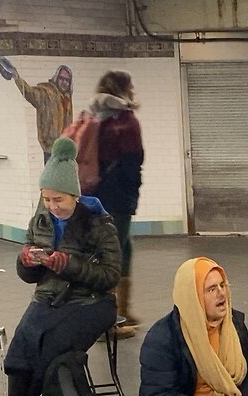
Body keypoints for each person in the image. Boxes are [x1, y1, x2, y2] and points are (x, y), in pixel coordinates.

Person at [0, 137, 120, 396]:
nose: (51, 206)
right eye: (46, 199)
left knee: (51, 347)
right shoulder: (41, 218)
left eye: (59, 200)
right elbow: (29, 276)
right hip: (49, 296)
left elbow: (110, 276)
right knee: (23, 342)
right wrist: (26, 262)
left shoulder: (99, 223)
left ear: (75, 197)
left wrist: (67, 266)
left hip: (92, 301)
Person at [134, 257, 248, 396]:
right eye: (211, 289)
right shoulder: (163, 337)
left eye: (223, 285)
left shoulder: (234, 324)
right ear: (193, 296)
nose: (221, 294)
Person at [84, 70, 145, 337]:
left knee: (122, 248)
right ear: (123, 89)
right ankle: (105, 322)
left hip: (96, 194)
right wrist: (134, 189)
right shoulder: (126, 121)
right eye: (130, 85)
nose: (133, 90)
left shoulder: (92, 114)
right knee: (112, 254)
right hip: (117, 197)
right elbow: (134, 161)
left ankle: (121, 308)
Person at [1, 58, 73, 163]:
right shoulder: (47, 93)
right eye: (62, 78)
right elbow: (30, 93)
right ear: (56, 78)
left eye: (67, 80)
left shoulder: (66, 98)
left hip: (65, 148)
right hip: (50, 148)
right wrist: (17, 77)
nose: (64, 82)